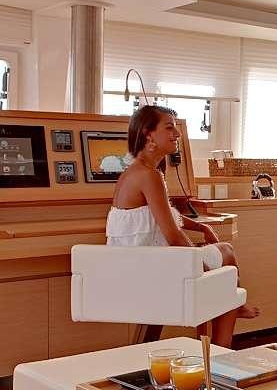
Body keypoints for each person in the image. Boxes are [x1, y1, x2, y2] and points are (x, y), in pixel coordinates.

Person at [106, 105, 259, 347]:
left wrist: (201, 228)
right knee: (226, 259)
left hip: (133, 269)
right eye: (169, 128)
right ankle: (220, 352)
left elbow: (162, 215)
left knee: (222, 264)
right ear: (148, 134)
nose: (177, 135)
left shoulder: (135, 171)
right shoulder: (150, 176)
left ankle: (222, 325)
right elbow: (173, 235)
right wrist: (203, 267)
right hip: (149, 273)